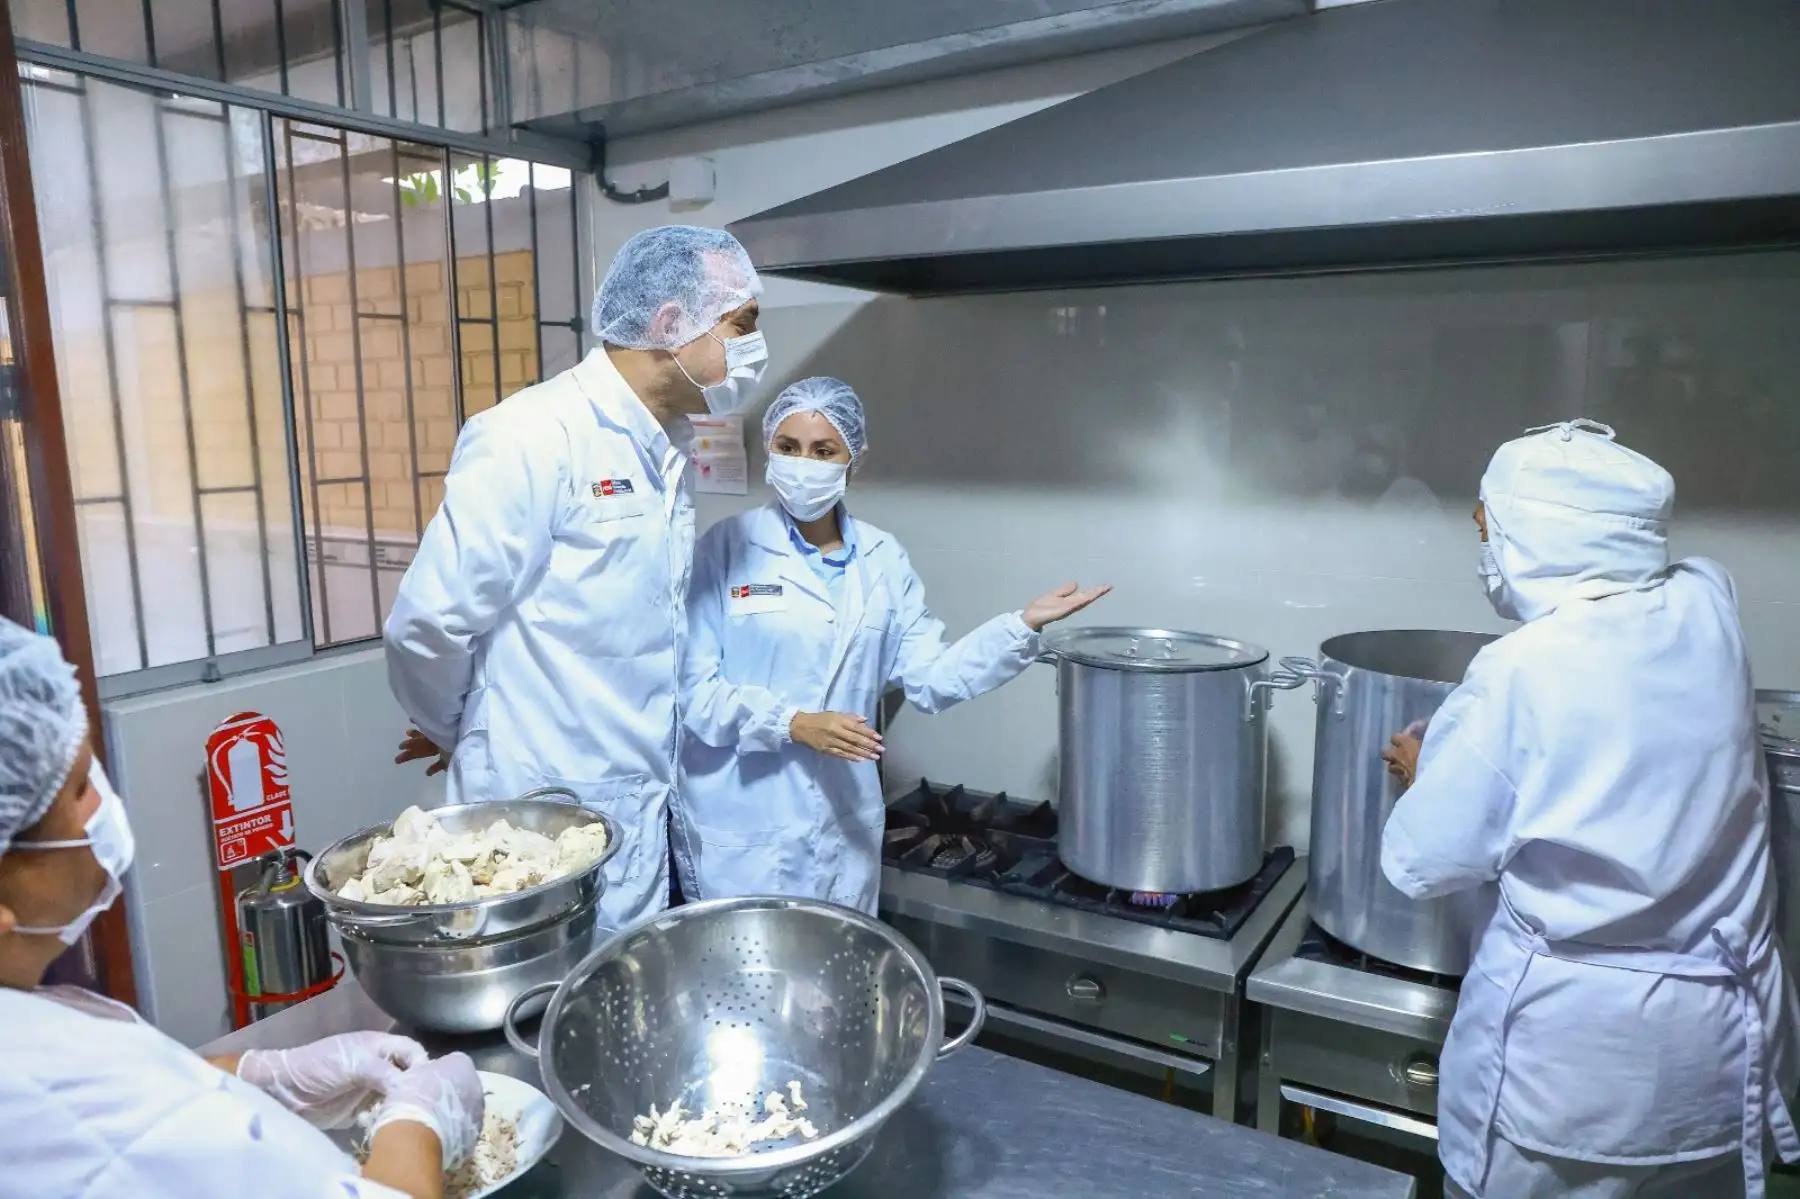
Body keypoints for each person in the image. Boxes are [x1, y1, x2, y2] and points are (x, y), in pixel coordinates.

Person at [1378, 420, 1798, 1199]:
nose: (1485, 556)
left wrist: (1423, 766)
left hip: (1578, 1078)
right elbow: (1614, 761)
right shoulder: (1709, 605)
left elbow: (1422, 860)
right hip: (1718, 1055)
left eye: (1489, 531)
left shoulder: (1519, 670)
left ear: (1540, 538)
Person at [0, 618, 483, 1199]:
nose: (106, 801)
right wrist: (421, 1126)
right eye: (79, 789)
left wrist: (269, 1077)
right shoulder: (72, 1106)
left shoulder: (31, 1014)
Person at [386, 225, 764, 931]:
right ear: (669, 324)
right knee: (543, 1022)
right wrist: (461, 727)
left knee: (618, 1009)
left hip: (633, 803)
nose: (751, 349)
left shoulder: (667, 445)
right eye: (740, 325)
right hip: (539, 817)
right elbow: (429, 621)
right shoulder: (533, 434)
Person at [674, 377, 1110, 913]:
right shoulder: (726, 548)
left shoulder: (883, 559)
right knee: (743, 986)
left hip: (842, 825)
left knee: (836, 984)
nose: (803, 464)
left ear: (853, 461)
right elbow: (692, 691)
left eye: (823, 450)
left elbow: (931, 679)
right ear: (769, 449)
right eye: (788, 447)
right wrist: (792, 723)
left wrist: (1019, 627)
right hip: (744, 822)